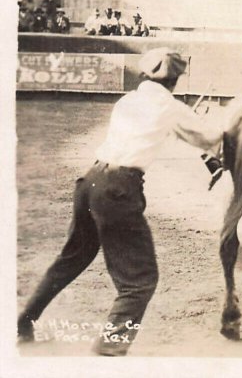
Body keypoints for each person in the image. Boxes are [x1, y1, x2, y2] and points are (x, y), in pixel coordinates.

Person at [17, 48, 224, 356]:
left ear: (144, 74)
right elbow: (210, 139)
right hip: (119, 189)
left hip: (89, 181)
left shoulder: (128, 100)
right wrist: (211, 120)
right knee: (140, 280)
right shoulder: (171, 106)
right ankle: (109, 350)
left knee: (72, 258)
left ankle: (24, 322)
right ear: (175, 80)